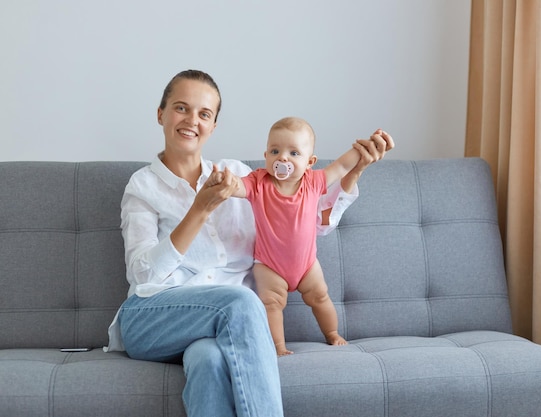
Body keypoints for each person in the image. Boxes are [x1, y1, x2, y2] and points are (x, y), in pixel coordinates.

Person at [103, 69, 393, 417]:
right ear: (161, 113)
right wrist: (199, 210)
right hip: (152, 317)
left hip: (221, 327)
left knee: (208, 360)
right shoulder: (142, 187)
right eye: (181, 108)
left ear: (213, 125)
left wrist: (354, 171)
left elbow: (305, 225)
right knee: (240, 302)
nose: (192, 120)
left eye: (204, 114)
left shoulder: (237, 174)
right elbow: (142, 275)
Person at [212, 117, 393, 356]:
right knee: (271, 305)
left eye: (294, 153)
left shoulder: (314, 182)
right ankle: (278, 346)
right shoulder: (258, 183)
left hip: (307, 265)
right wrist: (224, 181)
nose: (283, 158)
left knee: (320, 297)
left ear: (310, 162)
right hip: (269, 265)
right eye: (275, 151)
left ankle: (333, 334)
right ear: (266, 155)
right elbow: (237, 186)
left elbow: (341, 166)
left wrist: (368, 145)